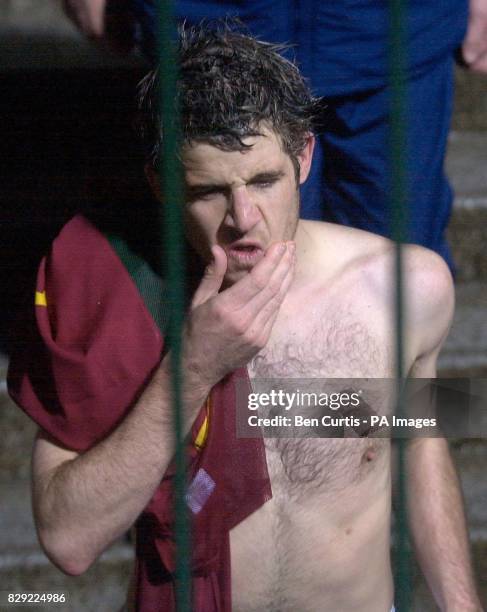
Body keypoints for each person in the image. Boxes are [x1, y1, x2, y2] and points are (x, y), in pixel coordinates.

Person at [8, 25, 482, 612]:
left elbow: (419, 441)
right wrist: (194, 368)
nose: (243, 219)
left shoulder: (409, 288)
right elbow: (68, 542)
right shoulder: (114, 293)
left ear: (305, 157)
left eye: (264, 180)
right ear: (163, 186)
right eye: (209, 191)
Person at [62, 0, 487, 273]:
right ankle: (254, 416)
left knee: (407, 271)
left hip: (391, 30)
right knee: (230, 274)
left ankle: (391, 417)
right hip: (210, 31)